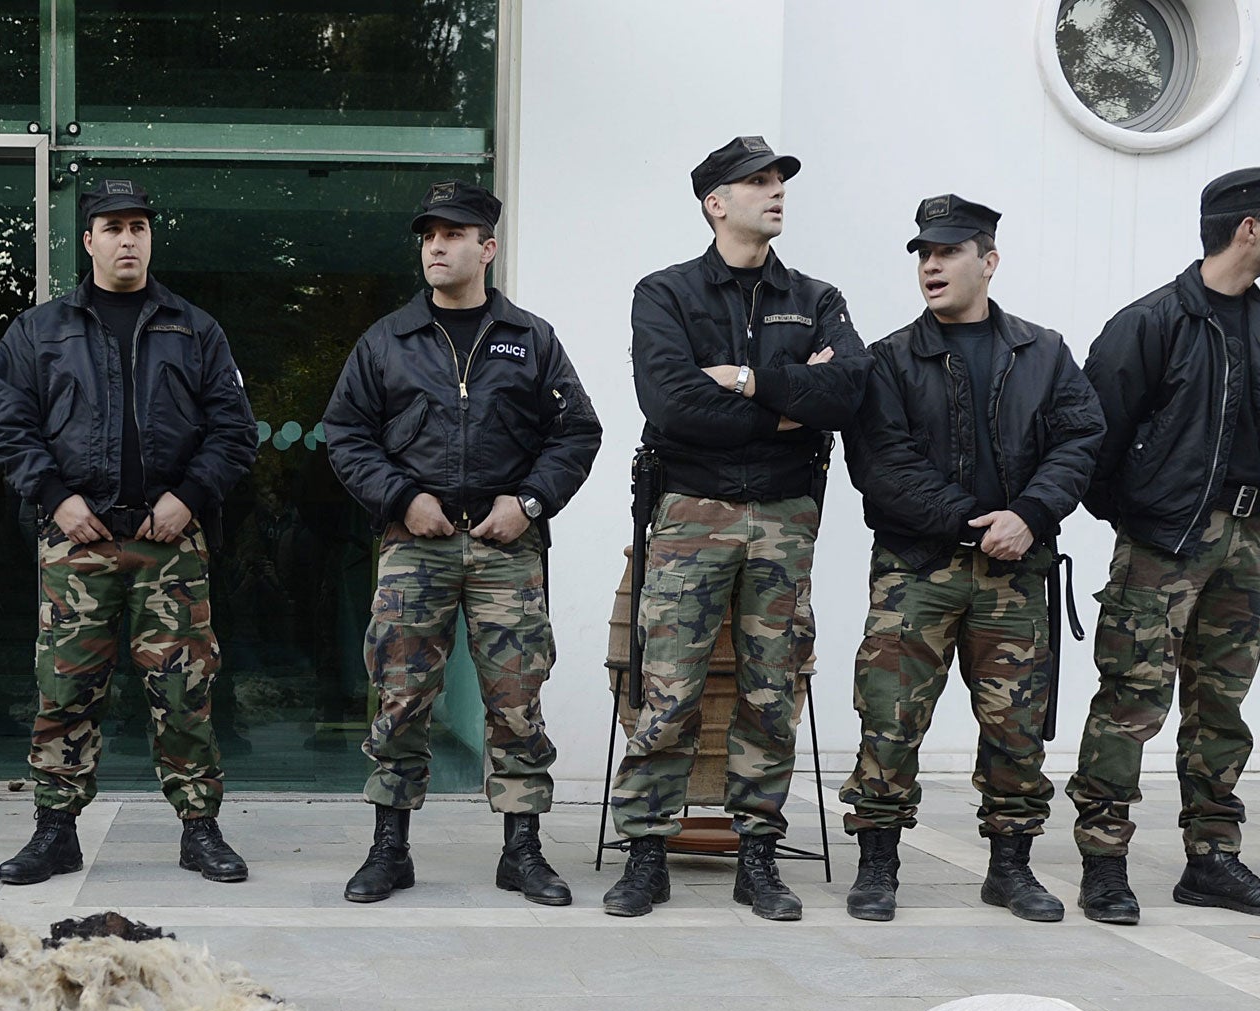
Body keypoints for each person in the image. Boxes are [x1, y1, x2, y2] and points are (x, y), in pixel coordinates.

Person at [605, 136, 871, 920]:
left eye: (779, 180)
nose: (776, 191)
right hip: (691, 512)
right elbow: (674, 406)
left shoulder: (818, 296)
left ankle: (759, 855)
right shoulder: (667, 293)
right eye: (757, 182)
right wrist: (794, 403)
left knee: (771, 690)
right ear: (715, 202)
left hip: (787, 519)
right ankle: (646, 852)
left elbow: (851, 394)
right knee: (668, 690)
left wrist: (752, 382)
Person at [324, 178, 602, 904]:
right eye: (428, 236)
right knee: (401, 694)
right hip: (415, 542)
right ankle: (390, 849)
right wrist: (401, 497)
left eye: (452, 235)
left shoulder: (531, 339)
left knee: (516, 700)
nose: (437, 247)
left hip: (507, 544)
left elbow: (577, 432)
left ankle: (523, 850)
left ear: (488, 247)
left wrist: (531, 502)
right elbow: (346, 434)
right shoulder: (388, 340)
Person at [0, 179, 259, 884]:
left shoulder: (194, 329)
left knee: (185, 690)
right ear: (88, 241)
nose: (128, 239)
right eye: (113, 227)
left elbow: (234, 431)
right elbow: (8, 431)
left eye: (138, 225)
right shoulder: (39, 331)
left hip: (171, 543)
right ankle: (55, 830)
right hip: (76, 540)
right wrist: (57, 498)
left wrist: (189, 498)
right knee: (65, 687)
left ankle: (200, 829)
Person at [839, 195, 1105, 922]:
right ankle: (878, 866)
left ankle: (1011, 869)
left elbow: (1081, 439)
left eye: (948, 252)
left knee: (1017, 727)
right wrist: (973, 522)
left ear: (987, 261)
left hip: (1017, 574)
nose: (931, 265)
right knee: (890, 718)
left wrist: (1029, 515)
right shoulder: (889, 359)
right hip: (917, 570)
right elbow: (881, 465)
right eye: (924, 253)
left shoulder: (1042, 350)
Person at [1068, 169, 1260, 921]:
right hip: (1165, 542)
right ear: (1249, 227)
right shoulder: (1151, 323)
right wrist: (1143, 519)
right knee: (1131, 700)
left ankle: (1212, 857)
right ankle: (1103, 862)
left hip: (1248, 538)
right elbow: (1093, 442)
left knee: (1222, 702)